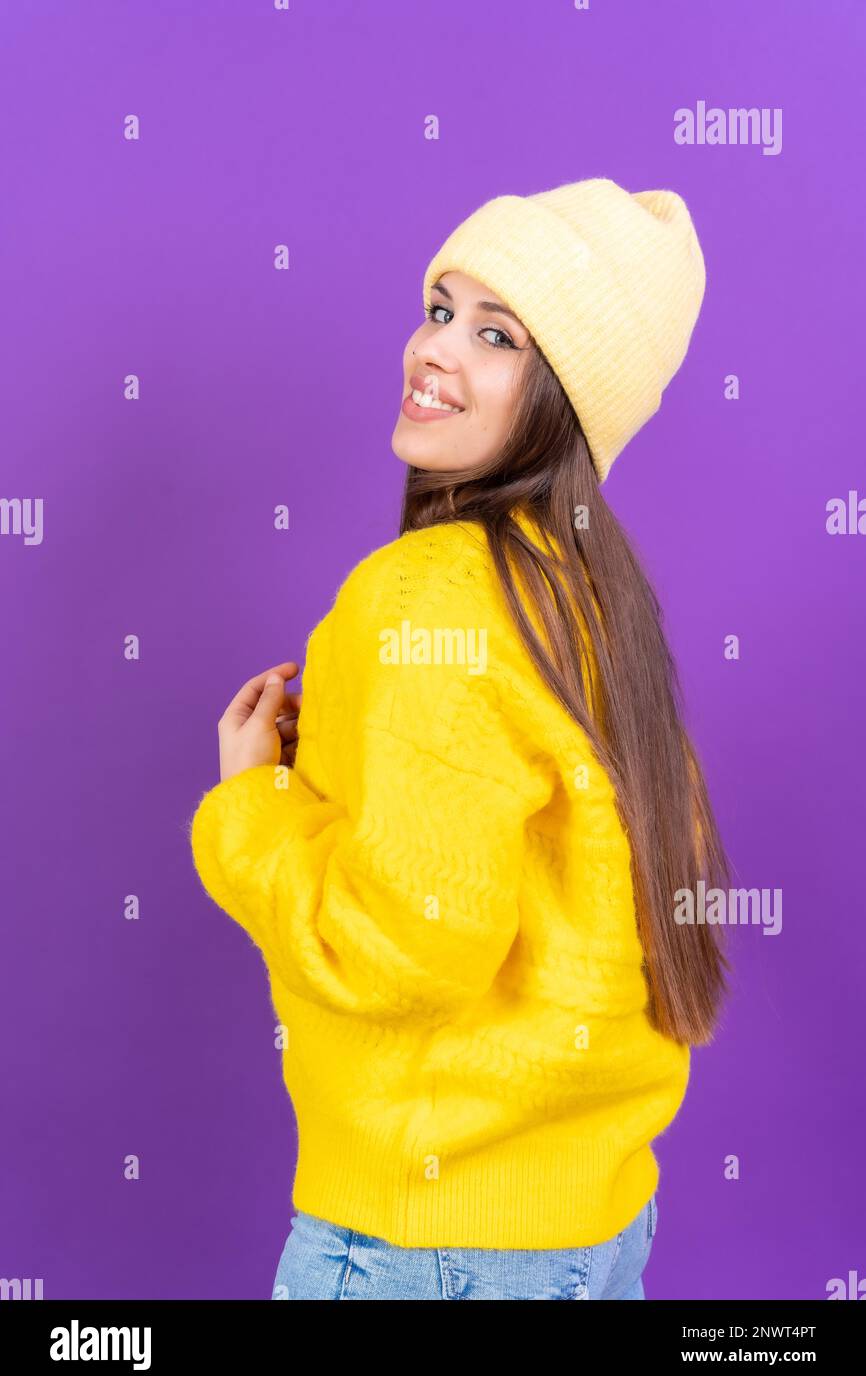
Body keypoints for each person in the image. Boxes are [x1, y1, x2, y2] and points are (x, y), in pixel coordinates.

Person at [189, 176, 732, 1300]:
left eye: (497, 336)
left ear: (568, 401)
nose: (434, 352)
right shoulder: (588, 599)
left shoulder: (426, 597)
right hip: (588, 1235)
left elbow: (403, 950)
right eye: (440, 308)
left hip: (420, 1253)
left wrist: (251, 810)